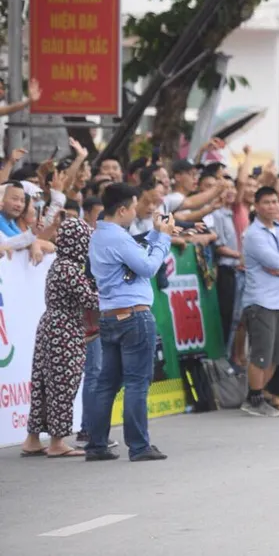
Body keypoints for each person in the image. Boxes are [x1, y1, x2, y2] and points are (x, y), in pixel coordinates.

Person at [86, 183, 173, 462]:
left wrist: (156, 234)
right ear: (122, 209)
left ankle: (97, 444)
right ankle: (138, 446)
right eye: (133, 207)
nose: (135, 212)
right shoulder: (119, 238)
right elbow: (148, 267)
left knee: (106, 383)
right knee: (137, 381)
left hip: (110, 316)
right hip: (134, 314)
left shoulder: (99, 235)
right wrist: (163, 239)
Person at [20, 218, 100, 458]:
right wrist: (118, 298)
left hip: (50, 326)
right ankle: (57, 442)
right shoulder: (70, 268)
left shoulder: (59, 264)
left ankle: (33, 440)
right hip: (65, 330)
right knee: (64, 384)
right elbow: (89, 300)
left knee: (44, 384)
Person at [240, 186, 279, 417]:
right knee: (260, 354)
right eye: (267, 202)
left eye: (275, 201)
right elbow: (274, 261)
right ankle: (254, 398)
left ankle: (260, 394)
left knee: (278, 355)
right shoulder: (253, 235)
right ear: (256, 206)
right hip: (262, 302)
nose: (273, 206)